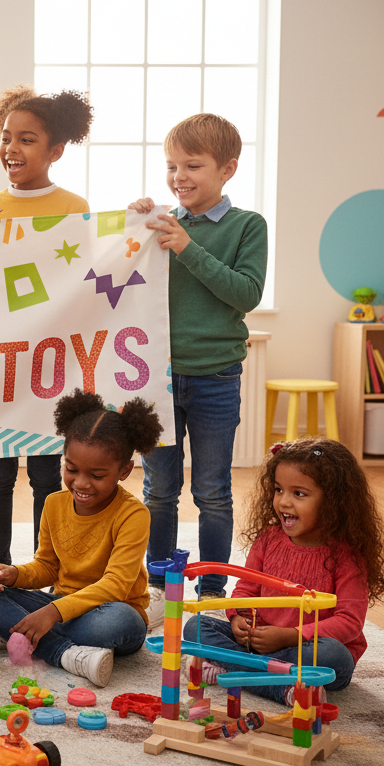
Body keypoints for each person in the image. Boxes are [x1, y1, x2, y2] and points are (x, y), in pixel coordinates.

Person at [127, 113, 268, 626]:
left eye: (192, 165)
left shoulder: (247, 225)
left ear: (227, 169)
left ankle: (210, 586)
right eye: (171, 165)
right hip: (157, 380)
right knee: (158, 489)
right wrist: (134, 221)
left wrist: (187, 249)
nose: (179, 175)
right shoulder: (163, 222)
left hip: (215, 378)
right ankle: (162, 580)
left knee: (211, 490)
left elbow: (245, 293)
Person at [0, 85, 93, 569]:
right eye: (6, 138)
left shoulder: (73, 205)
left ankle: (43, 564)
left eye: (27, 140)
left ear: (55, 150)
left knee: (44, 474)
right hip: (2, 362)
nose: (11, 149)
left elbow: (85, 273)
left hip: (51, 364)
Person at [0, 390, 164, 688]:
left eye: (97, 475)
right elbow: (47, 567)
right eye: (71, 469)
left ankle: (21, 631)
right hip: (63, 607)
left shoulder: (134, 514)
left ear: (124, 470)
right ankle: (63, 653)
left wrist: (51, 613)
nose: (81, 483)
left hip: (110, 612)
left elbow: (116, 586)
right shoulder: (54, 503)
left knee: (120, 622)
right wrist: (15, 575)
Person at [181, 438, 384, 705]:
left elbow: (349, 622)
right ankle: (279, 685)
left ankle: (235, 667)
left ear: (334, 502)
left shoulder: (347, 554)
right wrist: (237, 619)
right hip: (260, 641)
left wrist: (292, 635)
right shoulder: (268, 539)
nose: (284, 502)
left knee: (333, 657)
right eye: (279, 490)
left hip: (306, 651)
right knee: (197, 626)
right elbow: (245, 589)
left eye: (298, 494)